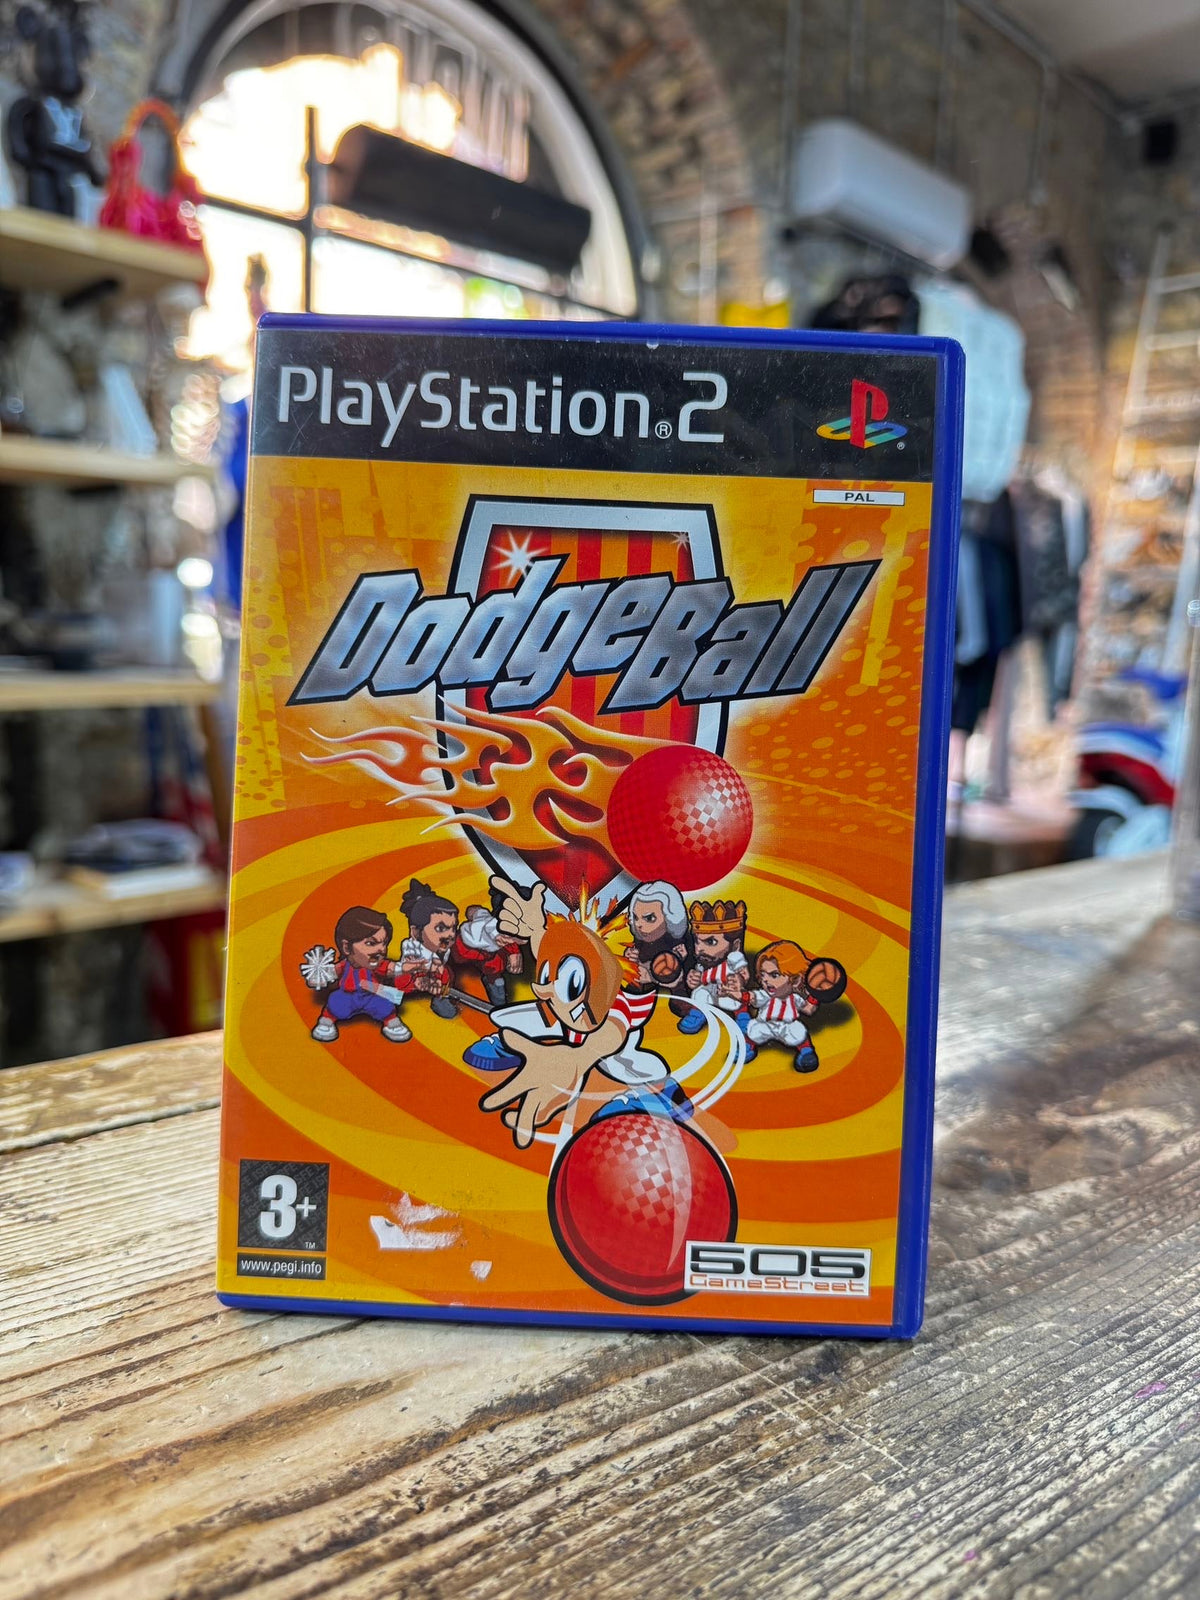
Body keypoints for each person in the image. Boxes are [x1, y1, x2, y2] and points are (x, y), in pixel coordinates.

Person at [465, 874, 692, 1141]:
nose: (640, 924)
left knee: (621, 1060)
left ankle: (663, 1094)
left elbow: (615, 1025)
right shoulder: (622, 943)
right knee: (529, 1016)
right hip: (576, 1001)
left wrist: (578, 1058)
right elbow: (563, 957)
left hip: (616, 1012)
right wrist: (536, 931)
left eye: (649, 918)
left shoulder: (669, 956)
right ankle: (514, 1044)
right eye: (637, 917)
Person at [300, 906, 412, 1044]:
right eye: (371, 943)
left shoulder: (378, 965)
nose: (381, 949)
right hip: (348, 996)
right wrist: (317, 978)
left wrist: (407, 967)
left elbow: (392, 968)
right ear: (346, 947)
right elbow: (329, 974)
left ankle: (391, 1022)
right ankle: (327, 1021)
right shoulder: (344, 965)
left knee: (386, 1005)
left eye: (384, 943)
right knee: (335, 1001)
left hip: (372, 995)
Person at [679, 899, 753, 1051]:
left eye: (711, 942)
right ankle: (698, 1013)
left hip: (727, 992)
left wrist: (739, 981)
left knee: (735, 1000)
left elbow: (743, 975)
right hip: (709, 991)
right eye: (697, 942)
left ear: (735, 945)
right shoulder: (703, 961)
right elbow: (697, 976)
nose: (700, 949)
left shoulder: (735, 959)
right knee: (699, 993)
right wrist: (692, 980)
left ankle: (742, 1016)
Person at [746, 941, 820, 1072]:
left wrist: (815, 995)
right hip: (766, 1024)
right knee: (753, 1029)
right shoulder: (764, 995)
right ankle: (747, 1048)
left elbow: (808, 1009)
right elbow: (751, 997)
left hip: (786, 1026)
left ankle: (806, 1052)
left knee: (798, 1031)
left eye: (774, 975)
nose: (766, 980)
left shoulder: (794, 998)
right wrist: (737, 994)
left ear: (795, 980)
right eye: (763, 974)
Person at [399, 879, 460, 1019]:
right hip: (412, 979)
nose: (450, 934)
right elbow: (411, 968)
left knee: (447, 974)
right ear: (416, 932)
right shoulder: (412, 949)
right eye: (441, 928)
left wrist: (438, 979)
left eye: (453, 928)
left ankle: (440, 998)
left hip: (433, 976)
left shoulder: (441, 946)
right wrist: (420, 978)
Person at [451, 902, 522, 1007]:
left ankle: (499, 1002)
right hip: (460, 951)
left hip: (487, 957)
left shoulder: (499, 933)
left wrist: (514, 952)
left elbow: (509, 938)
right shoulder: (466, 940)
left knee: (496, 973)